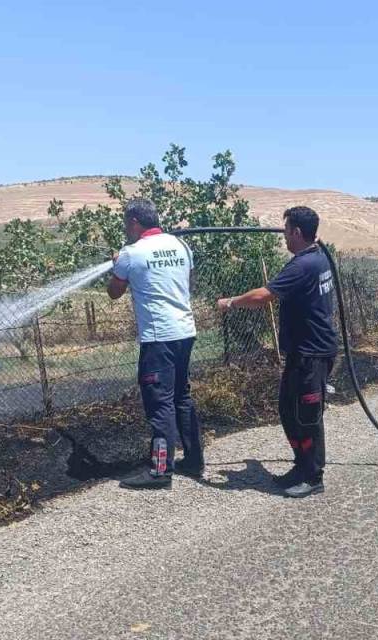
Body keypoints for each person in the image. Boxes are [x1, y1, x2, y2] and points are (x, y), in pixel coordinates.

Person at [216, 206, 338, 498]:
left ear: (297, 232)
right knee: (288, 409)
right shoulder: (318, 257)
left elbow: (264, 296)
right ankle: (301, 465)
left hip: (312, 353)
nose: (283, 237)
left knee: (308, 415)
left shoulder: (303, 266)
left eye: (286, 231)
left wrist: (231, 302)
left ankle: (313, 476)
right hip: (304, 351)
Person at [108, 198, 204, 489]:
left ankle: (160, 471)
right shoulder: (180, 246)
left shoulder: (130, 253)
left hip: (158, 337)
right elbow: (186, 278)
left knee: (159, 402)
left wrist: (116, 265)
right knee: (181, 397)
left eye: (127, 224)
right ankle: (195, 460)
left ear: (135, 222)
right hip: (185, 331)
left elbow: (114, 292)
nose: (126, 229)